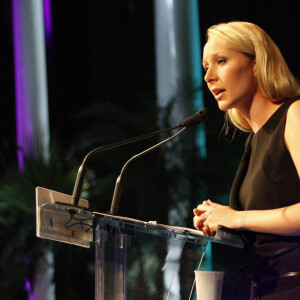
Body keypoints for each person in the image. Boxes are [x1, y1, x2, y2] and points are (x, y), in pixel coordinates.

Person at [193, 21, 300, 299]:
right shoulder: (254, 140)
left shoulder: (295, 115)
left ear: (255, 63)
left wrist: (237, 218)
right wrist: (220, 222)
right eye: (206, 67)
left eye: (221, 61)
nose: (209, 77)